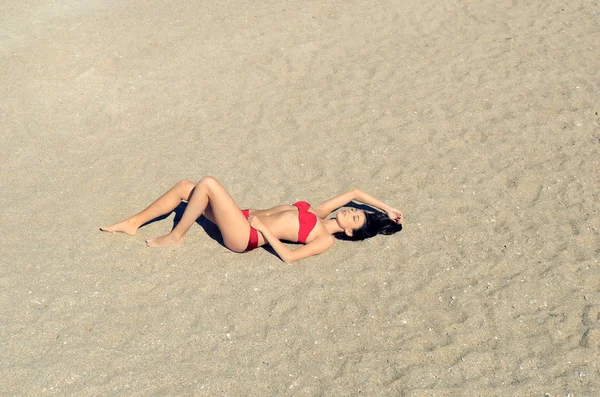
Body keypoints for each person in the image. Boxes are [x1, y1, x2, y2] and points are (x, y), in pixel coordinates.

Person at [101, 176, 403, 263]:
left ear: (351, 233)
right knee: (184, 187)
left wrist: (264, 232)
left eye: (355, 217)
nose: (351, 210)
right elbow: (354, 190)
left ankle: (175, 237)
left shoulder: (323, 240)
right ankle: (133, 223)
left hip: (246, 236)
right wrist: (387, 208)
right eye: (354, 210)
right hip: (241, 219)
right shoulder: (320, 212)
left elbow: (289, 257)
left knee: (207, 184)